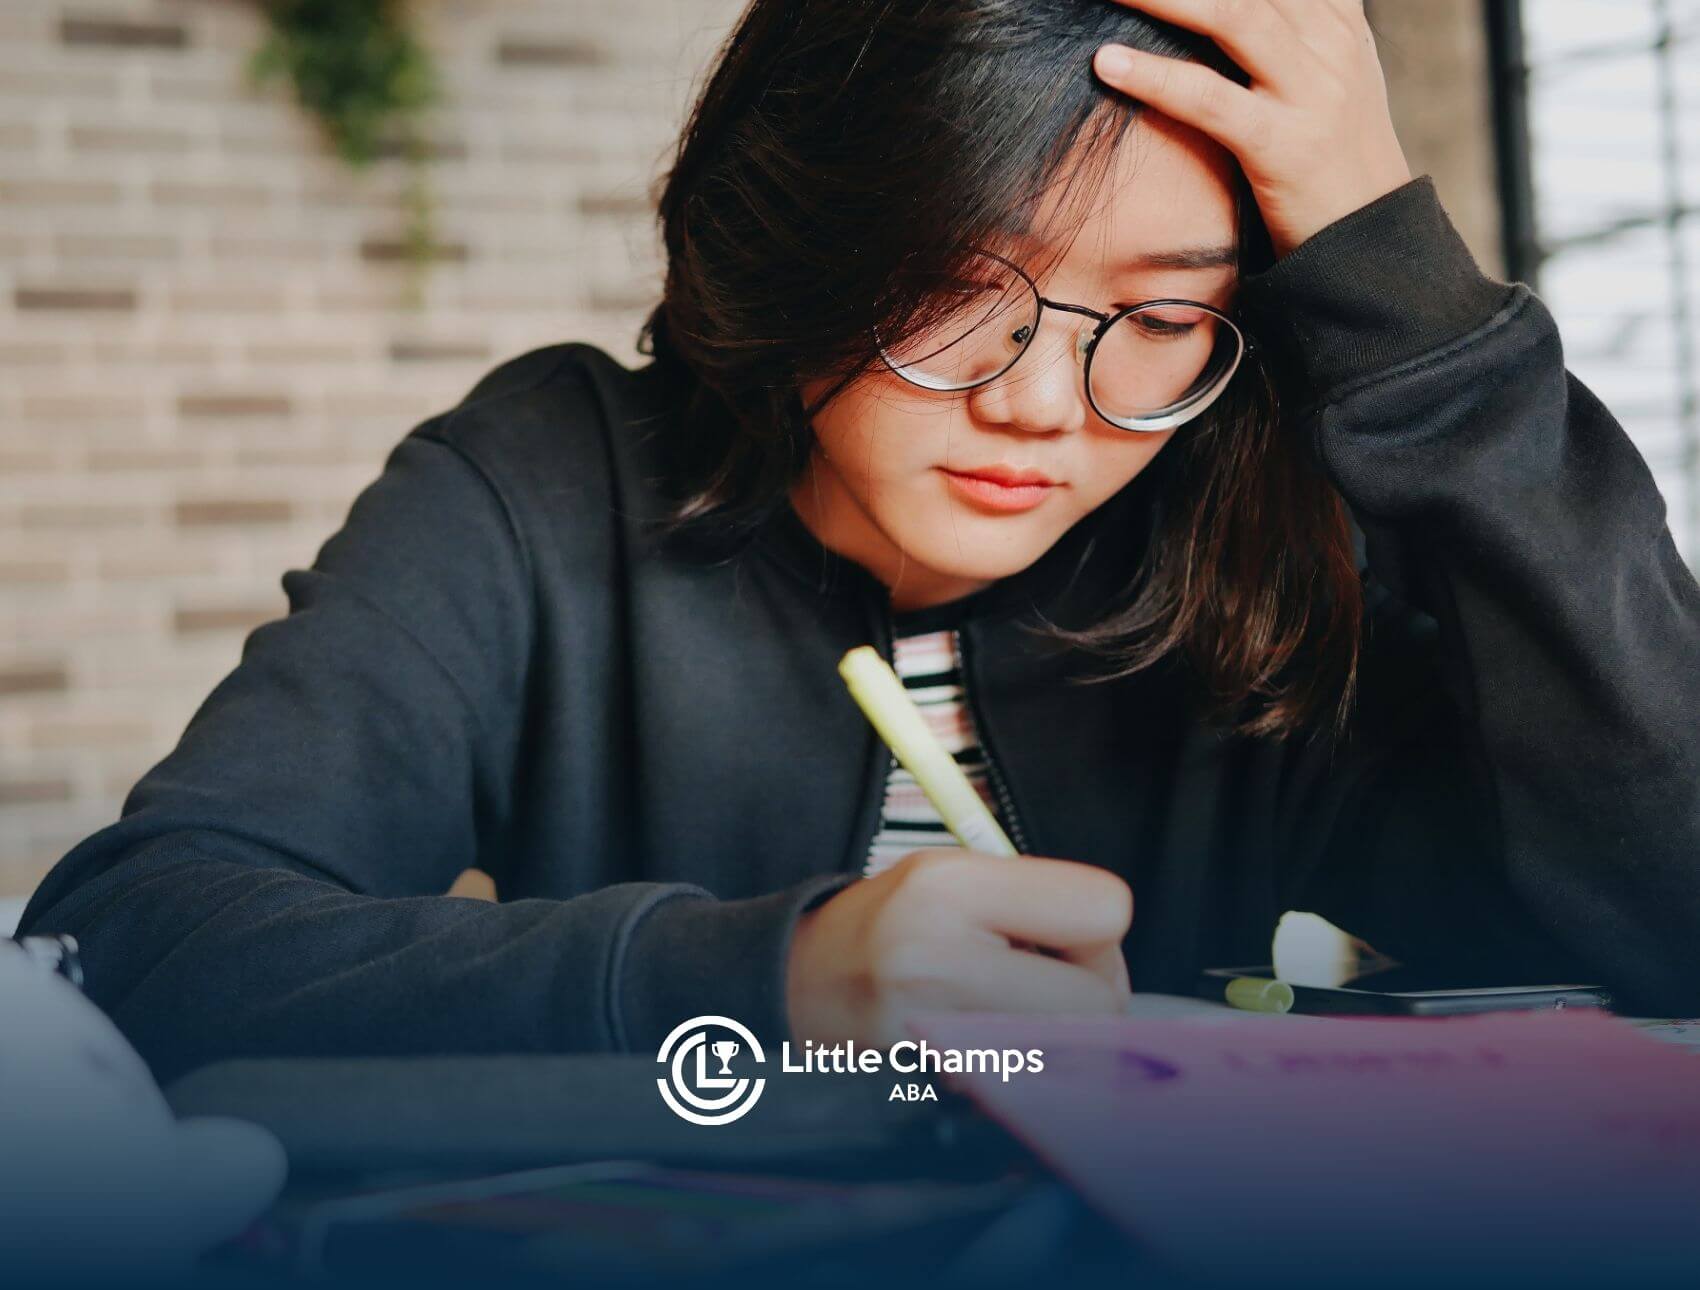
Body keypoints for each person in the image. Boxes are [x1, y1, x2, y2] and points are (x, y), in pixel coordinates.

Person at [19, 0, 1700, 1083]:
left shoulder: (1248, 566)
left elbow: (1668, 919)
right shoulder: (546, 486)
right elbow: (139, 940)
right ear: (813, 232)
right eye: (966, 294)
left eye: (1166, 313)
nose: (1049, 405)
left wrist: (1405, 286)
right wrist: (764, 975)